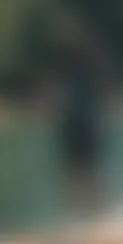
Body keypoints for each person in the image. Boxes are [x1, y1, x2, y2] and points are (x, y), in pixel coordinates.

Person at [51, 17, 111, 216]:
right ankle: (76, 214)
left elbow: (102, 93)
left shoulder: (91, 63)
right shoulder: (65, 63)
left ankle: (97, 212)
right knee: (72, 172)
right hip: (71, 125)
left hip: (87, 125)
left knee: (88, 172)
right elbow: (60, 93)